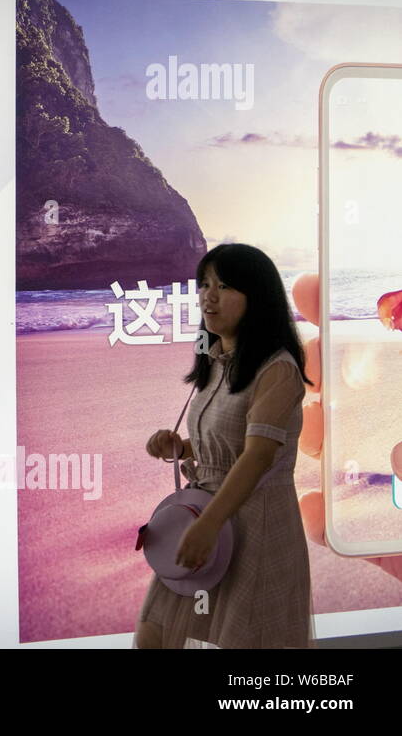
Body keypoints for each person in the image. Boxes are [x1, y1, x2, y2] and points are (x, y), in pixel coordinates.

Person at [135, 243, 314, 648]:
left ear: (258, 297)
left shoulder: (277, 369)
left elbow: (257, 455)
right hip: (204, 516)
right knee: (155, 632)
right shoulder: (216, 361)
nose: (208, 296)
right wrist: (178, 446)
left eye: (224, 285)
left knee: (248, 638)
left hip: (253, 524)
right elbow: (224, 440)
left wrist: (209, 525)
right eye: (204, 284)